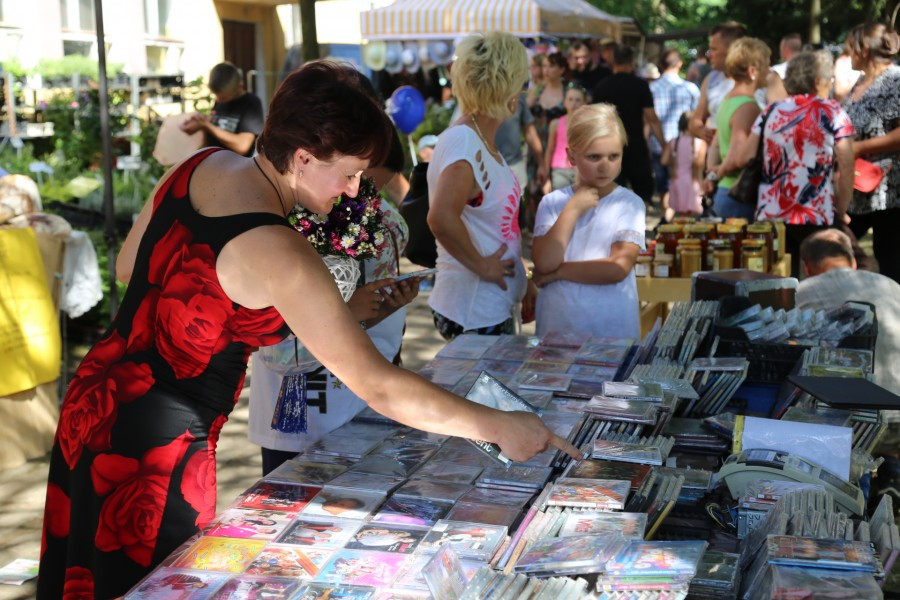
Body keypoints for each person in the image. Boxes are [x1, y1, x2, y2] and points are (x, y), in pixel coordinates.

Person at [38, 60, 578, 599]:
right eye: (348, 173)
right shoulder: (283, 250)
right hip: (156, 447)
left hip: (94, 398)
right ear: (301, 158)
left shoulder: (201, 163)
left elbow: (130, 269)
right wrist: (498, 426)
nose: (351, 191)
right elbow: (381, 386)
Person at [249, 135, 420, 477]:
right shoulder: (277, 219)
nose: (361, 193)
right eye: (357, 177)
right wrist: (348, 313)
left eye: (374, 188)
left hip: (350, 403)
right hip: (293, 413)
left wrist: (382, 308)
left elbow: (363, 314)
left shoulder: (374, 221)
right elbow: (274, 337)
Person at [426, 32, 541, 340]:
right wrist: (482, 266)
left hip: (486, 307)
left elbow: (491, 227)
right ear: (510, 88)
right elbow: (440, 218)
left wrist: (522, 277)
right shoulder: (465, 141)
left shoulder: (476, 139)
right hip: (473, 312)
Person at [531, 103, 646, 340]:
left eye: (614, 156)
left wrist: (558, 272)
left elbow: (617, 267)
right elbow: (544, 262)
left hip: (610, 329)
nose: (605, 165)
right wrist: (572, 210)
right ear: (571, 156)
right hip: (558, 325)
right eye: (594, 157)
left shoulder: (629, 204)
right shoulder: (553, 204)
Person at [738, 51, 855, 277]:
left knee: (776, 284)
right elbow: (847, 167)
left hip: (771, 213)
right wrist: (841, 210)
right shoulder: (833, 111)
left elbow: (746, 156)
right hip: (816, 213)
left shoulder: (770, 111)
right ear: (818, 81)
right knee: (823, 283)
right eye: (830, 79)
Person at [796, 228, 900, 399]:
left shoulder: (801, 292)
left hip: (851, 407)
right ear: (853, 262)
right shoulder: (891, 284)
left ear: (806, 267)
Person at [842, 22, 900, 285]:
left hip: (888, 191)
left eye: (850, 49)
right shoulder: (862, 81)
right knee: (840, 243)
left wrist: (859, 148)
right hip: (856, 188)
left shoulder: (895, 80)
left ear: (864, 49)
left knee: (889, 257)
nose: (847, 55)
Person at [592, 45, 665, 206]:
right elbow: (652, 118)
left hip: (608, 148)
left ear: (613, 62)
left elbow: (594, 121)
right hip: (635, 146)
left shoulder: (601, 86)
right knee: (643, 195)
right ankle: (639, 228)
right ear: (631, 62)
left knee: (611, 196)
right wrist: (664, 146)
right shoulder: (640, 85)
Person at [705, 37, 769, 221]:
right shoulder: (748, 106)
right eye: (766, 65)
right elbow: (737, 158)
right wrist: (718, 174)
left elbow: (716, 146)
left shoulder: (728, 100)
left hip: (725, 193)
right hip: (739, 194)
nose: (769, 71)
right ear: (752, 71)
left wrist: (711, 173)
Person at [650, 49, 700, 216]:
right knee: (687, 182)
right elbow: (698, 119)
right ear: (679, 64)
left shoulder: (651, 88)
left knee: (665, 185)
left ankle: (667, 218)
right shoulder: (690, 88)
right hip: (686, 145)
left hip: (659, 144)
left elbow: (647, 119)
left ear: (661, 65)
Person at [180, 62, 264, 157]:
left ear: (240, 87)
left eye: (223, 98)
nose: (218, 100)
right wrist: (200, 123)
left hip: (235, 167)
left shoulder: (250, 103)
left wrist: (208, 126)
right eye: (216, 96)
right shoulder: (220, 101)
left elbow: (242, 147)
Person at [689, 22, 746, 144]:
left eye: (714, 49)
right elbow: (695, 121)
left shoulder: (760, 79)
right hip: (716, 160)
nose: (709, 54)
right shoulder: (711, 79)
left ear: (733, 50)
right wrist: (701, 131)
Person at [661, 111, 705, 217]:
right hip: (692, 182)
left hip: (676, 180)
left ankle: (666, 223)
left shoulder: (674, 142)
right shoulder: (700, 143)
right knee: (688, 213)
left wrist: (675, 160)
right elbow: (700, 165)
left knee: (673, 208)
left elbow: (663, 161)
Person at [544, 84, 588, 191]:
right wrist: (546, 178)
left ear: (584, 104)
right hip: (560, 170)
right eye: (570, 99)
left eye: (578, 100)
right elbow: (550, 149)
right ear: (565, 102)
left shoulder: (588, 125)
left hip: (581, 170)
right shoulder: (556, 123)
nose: (573, 104)